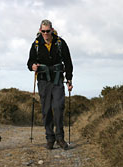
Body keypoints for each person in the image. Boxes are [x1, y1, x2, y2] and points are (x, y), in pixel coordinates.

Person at [27, 19, 73, 150]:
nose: (46, 33)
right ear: (40, 31)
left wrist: (69, 80)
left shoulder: (60, 43)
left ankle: (60, 138)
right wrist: (32, 66)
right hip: (43, 81)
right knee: (46, 110)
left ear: (52, 30)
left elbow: (68, 62)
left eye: (48, 31)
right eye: (43, 31)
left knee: (58, 107)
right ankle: (50, 139)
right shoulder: (36, 44)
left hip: (58, 80)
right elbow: (30, 62)